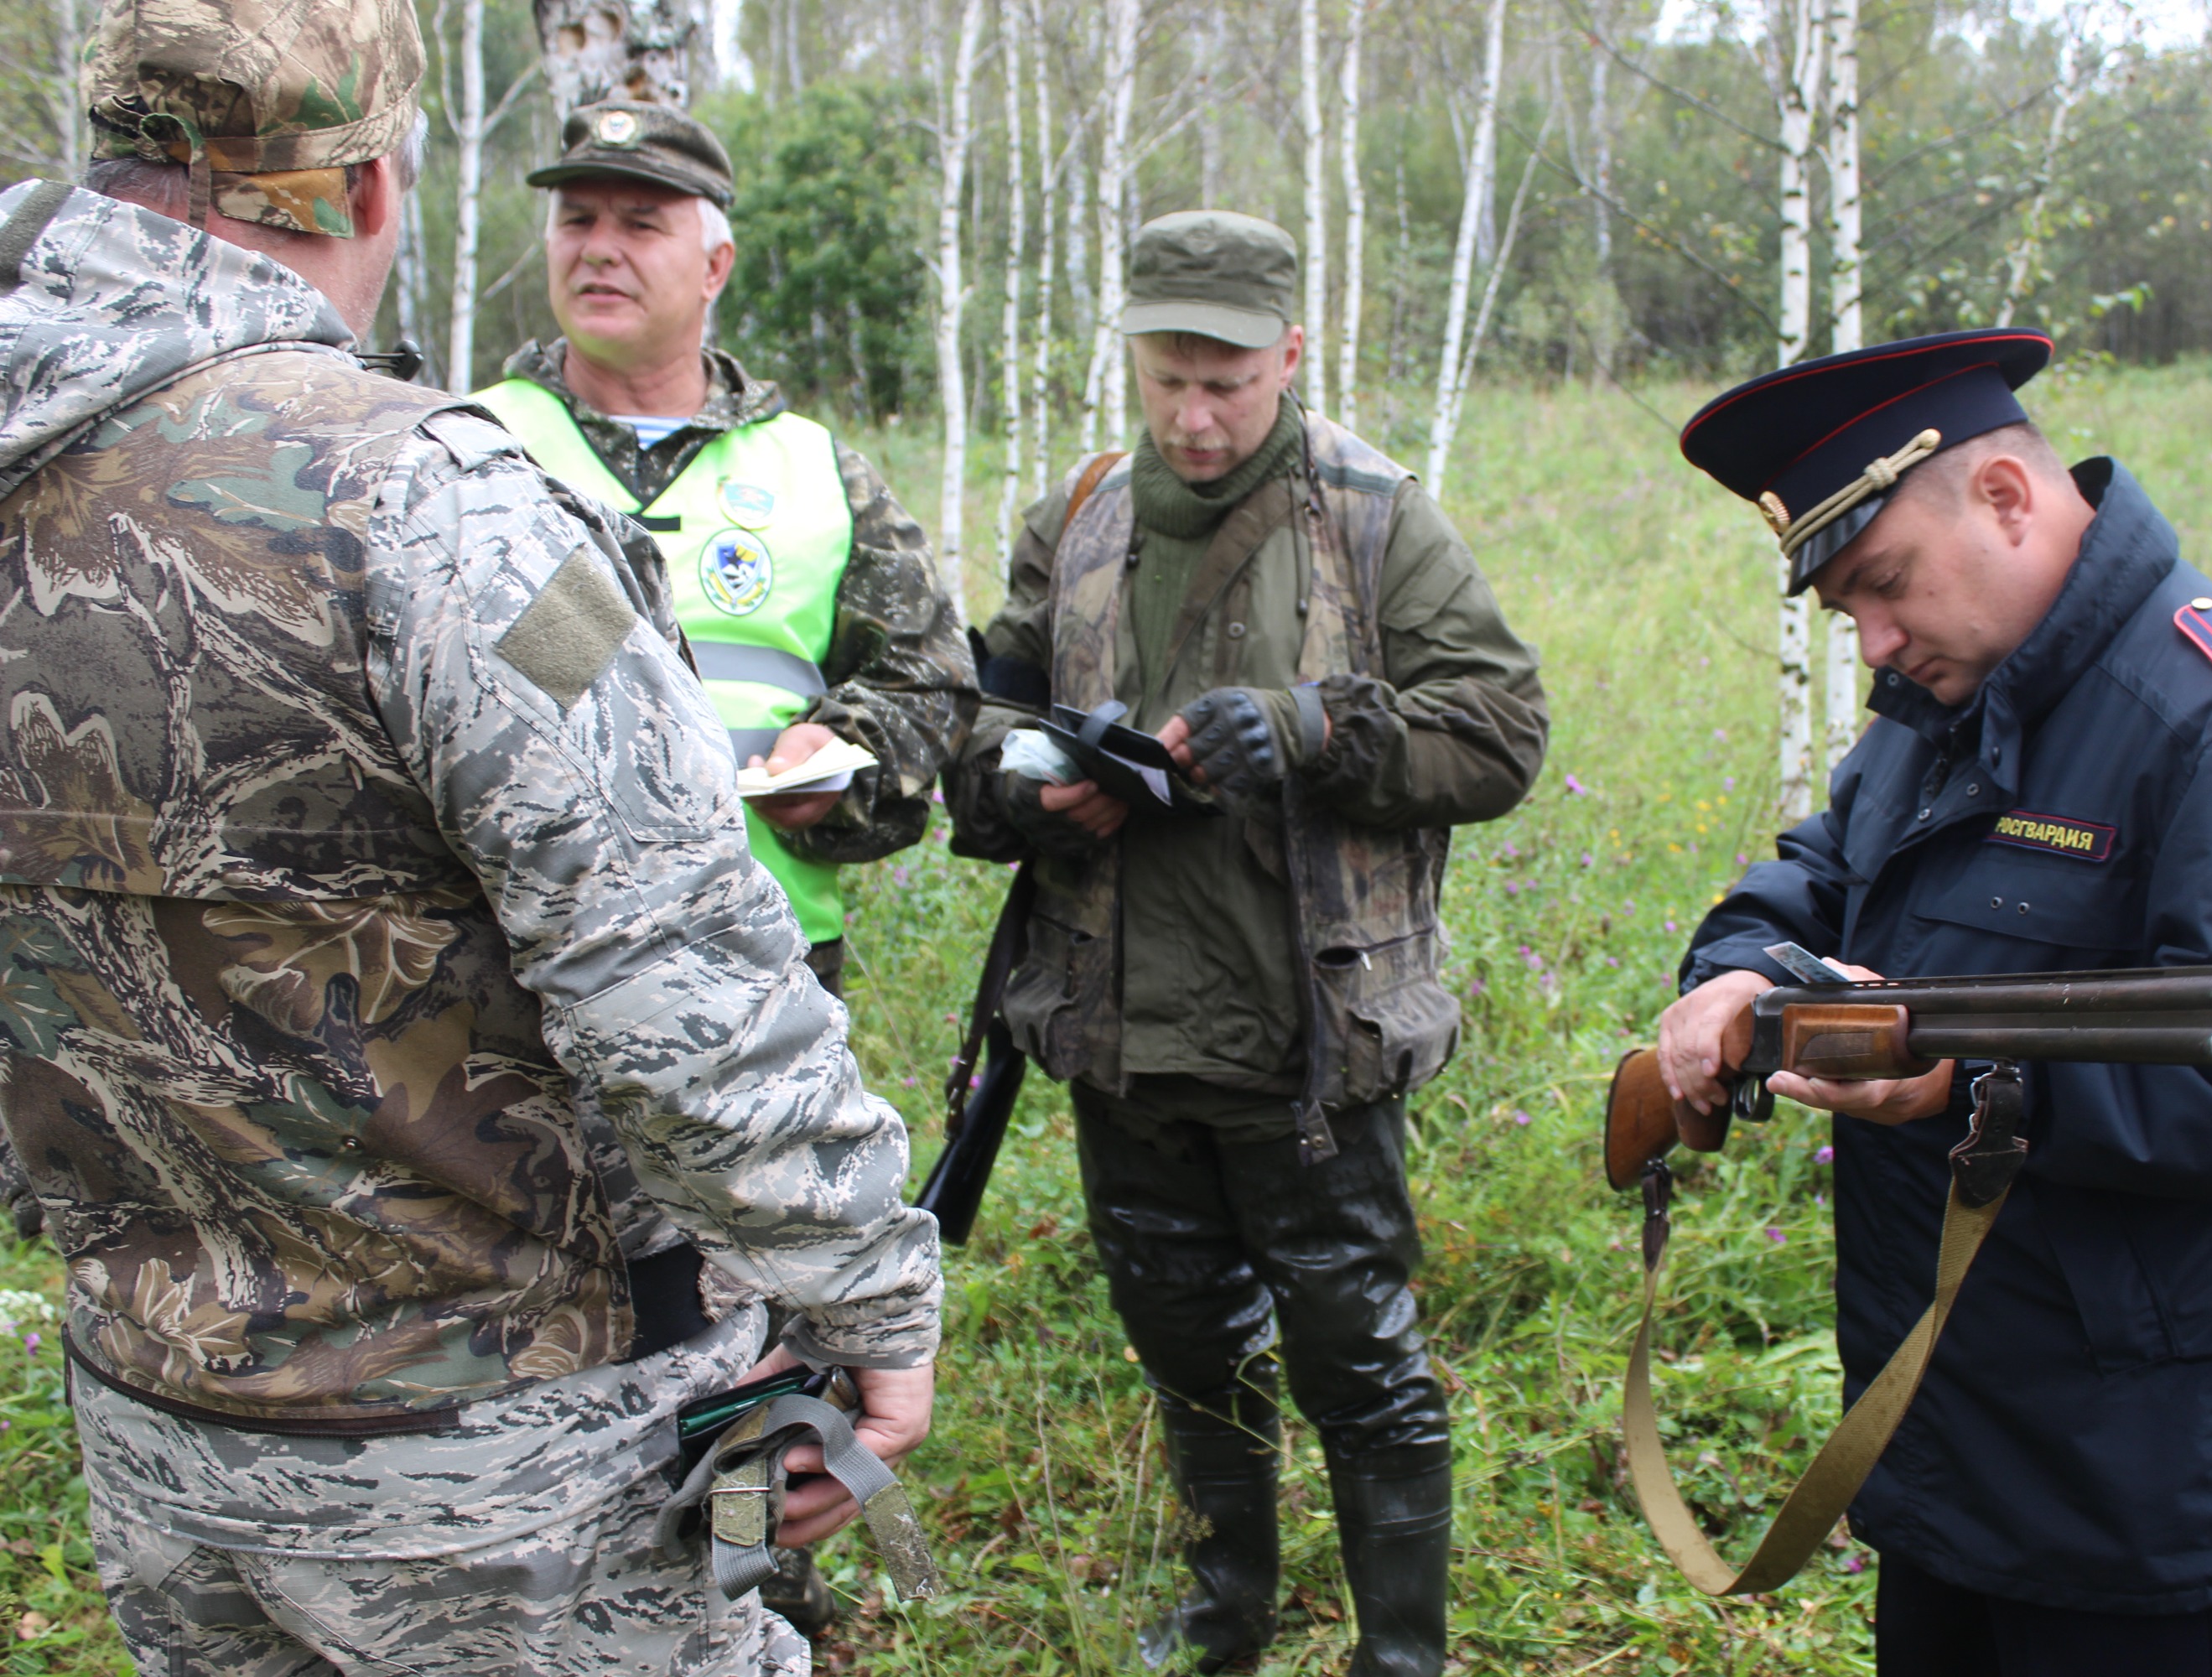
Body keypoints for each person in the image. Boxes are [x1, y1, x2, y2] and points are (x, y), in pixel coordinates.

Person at [0, 2, 938, 1671]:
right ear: (371, 189)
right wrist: (869, 1295)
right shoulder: (443, 505)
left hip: (160, 1435)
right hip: (513, 1479)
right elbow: (664, 958)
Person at [1654, 329, 2212, 1676]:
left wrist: (1970, 1087)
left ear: (2006, 498)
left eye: (1885, 585)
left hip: (2146, 1490)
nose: (1876, 640)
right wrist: (1741, 972)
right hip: (1949, 1432)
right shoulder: (1948, 697)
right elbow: (1821, 876)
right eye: (1847, 611)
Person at [943, 210, 1547, 1677]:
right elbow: (976, 715)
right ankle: (1224, 1620)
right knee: (1188, 1352)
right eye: (1168, 379)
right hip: (1122, 1034)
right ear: (1135, 359)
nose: (1196, 417)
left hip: (1307, 1049)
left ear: (1292, 353)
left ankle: (1401, 1656)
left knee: (1362, 1367)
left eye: (1228, 381)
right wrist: (1033, 777)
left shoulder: (1374, 516)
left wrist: (1311, 725)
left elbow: (1503, 732)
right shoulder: (1079, 513)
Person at [473, 98, 974, 1005]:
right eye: (576, 219)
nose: (598, 248)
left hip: (762, 958)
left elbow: (933, 682)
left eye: (640, 224)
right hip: (516, 967)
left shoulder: (816, 468)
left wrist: (841, 756)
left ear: (715, 266)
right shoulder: (468, 446)